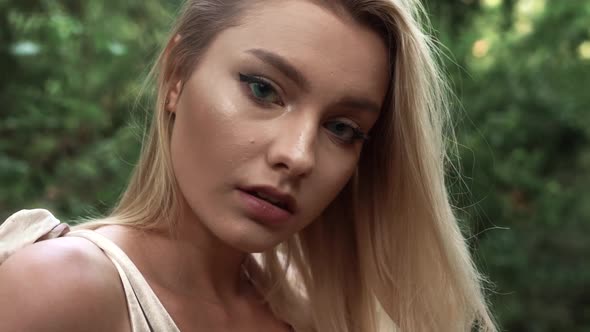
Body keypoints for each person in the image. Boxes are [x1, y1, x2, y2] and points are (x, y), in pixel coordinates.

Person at [0, 0, 497, 331]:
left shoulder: (309, 311)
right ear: (177, 75)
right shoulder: (60, 291)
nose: (298, 156)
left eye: (342, 128)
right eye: (263, 89)